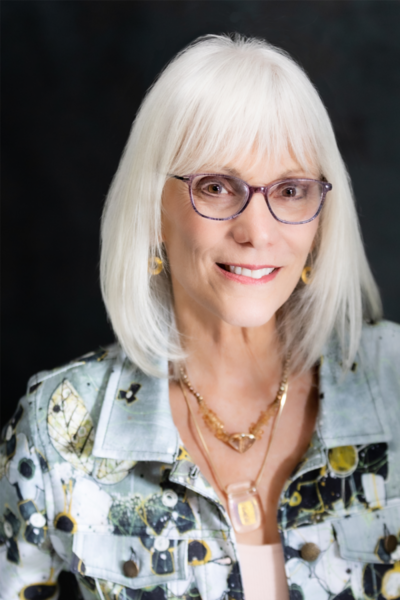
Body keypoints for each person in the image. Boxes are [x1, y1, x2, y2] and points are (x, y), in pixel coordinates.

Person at [1, 33, 399, 600]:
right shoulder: (62, 428)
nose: (257, 231)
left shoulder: (395, 383)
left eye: (290, 191)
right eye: (216, 187)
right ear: (153, 210)